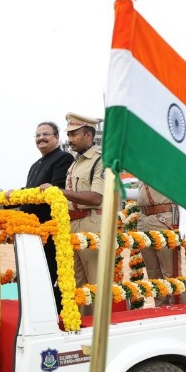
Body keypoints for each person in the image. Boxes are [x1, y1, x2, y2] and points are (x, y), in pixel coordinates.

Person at [22, 120, 73, 306]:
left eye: (45, 134)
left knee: (49, 276)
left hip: (51, 231)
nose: (41, 138)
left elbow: (56, 190)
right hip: (33, 233)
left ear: (57, 137)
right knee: (35, 277)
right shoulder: (35, 165)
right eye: (37, 135)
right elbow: (29, 194)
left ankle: (54, 313)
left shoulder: (63, 158)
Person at [58, 113, 105, 315]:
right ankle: (84, 328)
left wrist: (60, 192)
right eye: (68, 134)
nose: (69, 139)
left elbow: (96, 197)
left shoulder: (101, 160)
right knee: (78, 286)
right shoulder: (76, 163)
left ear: (88, 135)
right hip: (73, 226)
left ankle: (100, 328)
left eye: (74, 134)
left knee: (96, 284)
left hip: (91, 225)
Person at [132, 179, 183, 306]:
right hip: (144, 218)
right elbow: (141, 194)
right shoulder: (143, 171)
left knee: (170, 272)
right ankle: (161, 308)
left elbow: (182, 193)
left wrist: (184, 223)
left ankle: (178, 309)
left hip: (162, 217)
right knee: (153, 273)